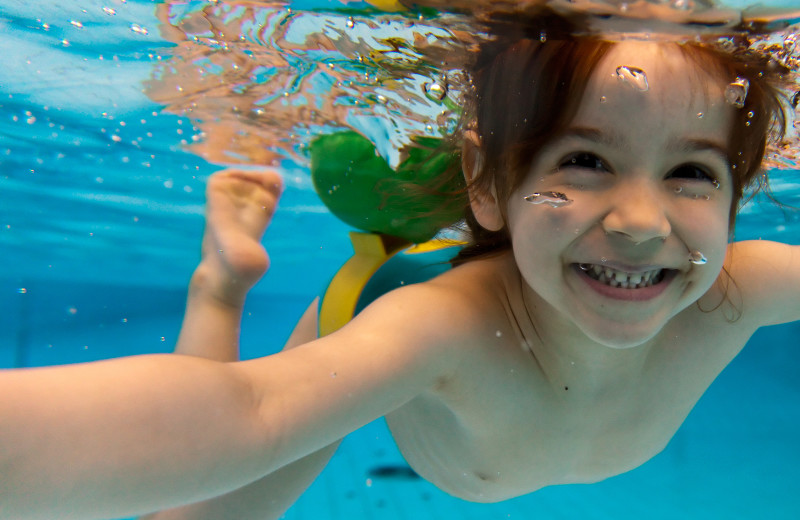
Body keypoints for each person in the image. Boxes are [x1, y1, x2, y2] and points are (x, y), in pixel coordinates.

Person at [2, 12, 799, 520]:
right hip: (383, 294)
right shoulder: (440, 328)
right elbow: (247, 413)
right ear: (489, 185)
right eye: (585, 160)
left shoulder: (740, 287)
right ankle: (221, 283)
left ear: (737, 199)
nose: (638, 222)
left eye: (691, 173)